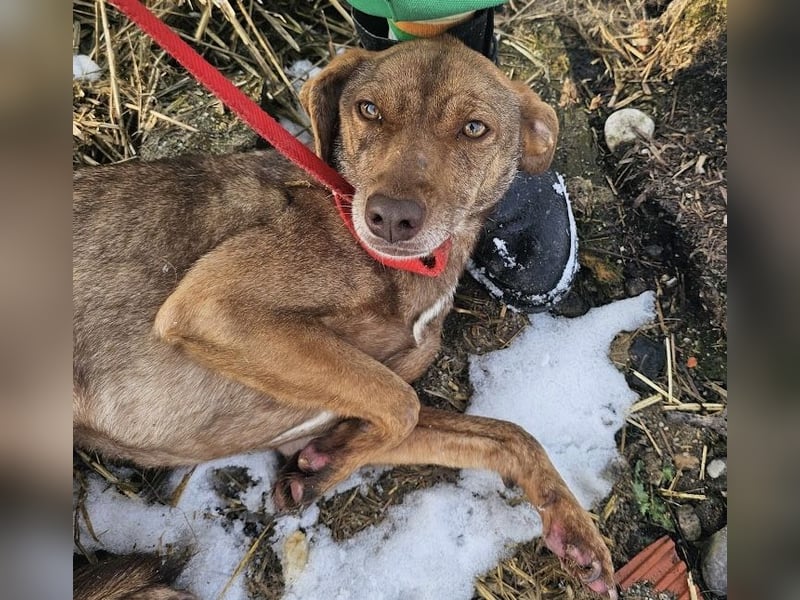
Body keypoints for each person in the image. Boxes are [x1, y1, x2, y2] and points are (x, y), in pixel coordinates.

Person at [346, 0, 578, 312]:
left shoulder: (522, 121)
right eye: (372, 110)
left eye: (472, 127)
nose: (393, 210)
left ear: (534, 135)